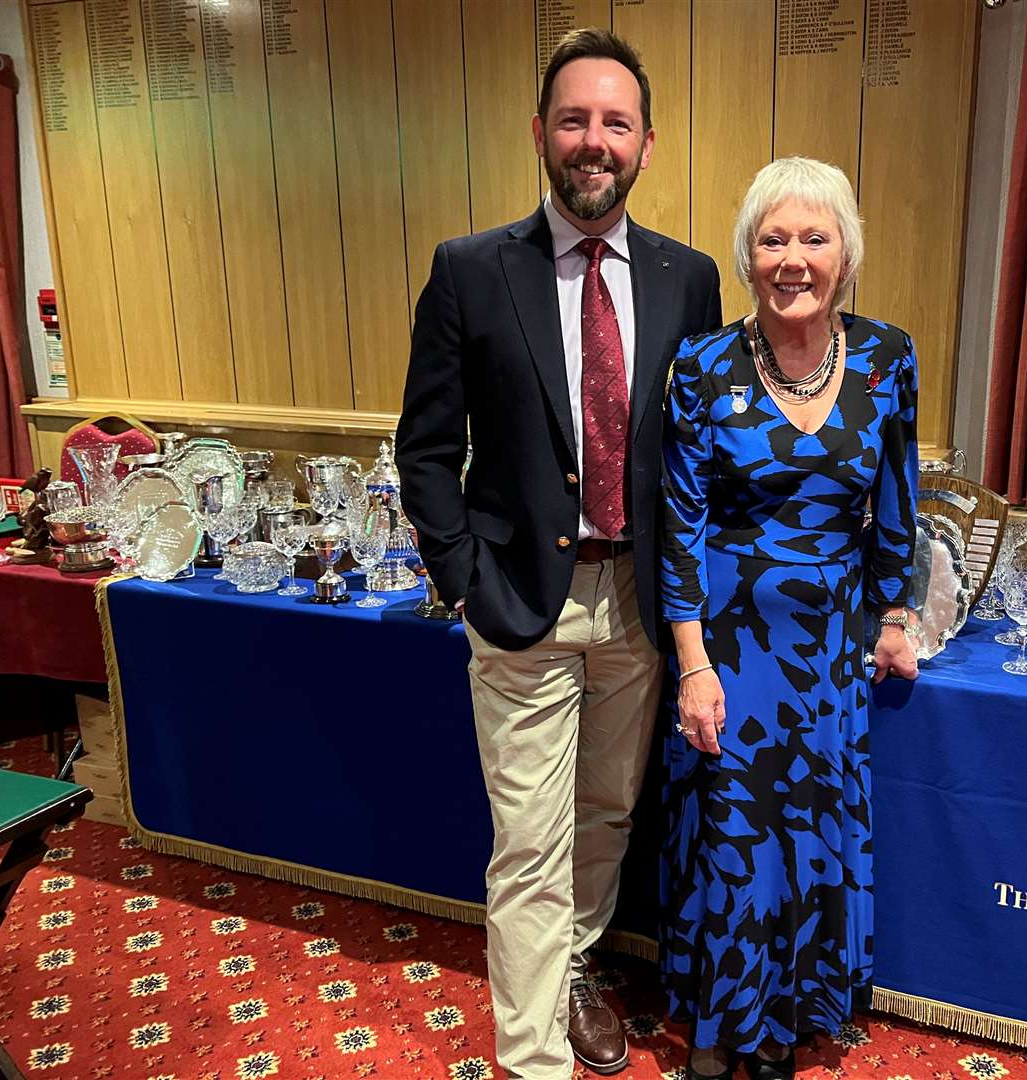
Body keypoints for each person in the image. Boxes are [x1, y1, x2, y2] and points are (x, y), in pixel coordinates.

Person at [395, 28, 721, 1080]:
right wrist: (464, 584)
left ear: (647, 144)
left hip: (641, 601)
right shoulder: (470, 270)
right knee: (529, 846)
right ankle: (528, 1058)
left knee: (607, 816)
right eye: (574, 120)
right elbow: (427, 449)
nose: (594, 141)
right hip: (522, 603)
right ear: (540, 134)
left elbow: (697, 449)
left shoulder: (690, 278)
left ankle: (575, 966)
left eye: (614, 123)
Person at [659, 157, 919, 1079]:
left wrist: (898, 612)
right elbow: (680, 523)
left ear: (845, 254)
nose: (794, 258)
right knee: (737, 829)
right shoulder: (701, 364)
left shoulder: (888, 357)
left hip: (833, 638)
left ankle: (786, 1023)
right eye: (774, 239)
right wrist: (692, 662)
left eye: (815, 237)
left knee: (808, 827)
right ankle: (724, 1029)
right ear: (748, 255)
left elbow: (897, 502)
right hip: (729, 638)